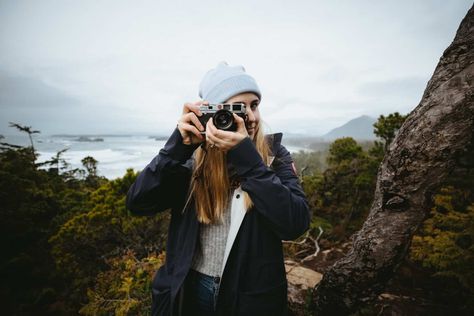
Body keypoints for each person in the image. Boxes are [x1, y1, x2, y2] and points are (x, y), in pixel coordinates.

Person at [126, 61, 310, 316]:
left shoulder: (274, 155)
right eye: (236, 108)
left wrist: (248, 159)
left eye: (254, 105)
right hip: (189, 290)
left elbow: (296, 223)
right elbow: (138, 203)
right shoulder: (191, 160)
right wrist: (175, 149)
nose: (251, 117)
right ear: (213, 114)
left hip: (248, 298)